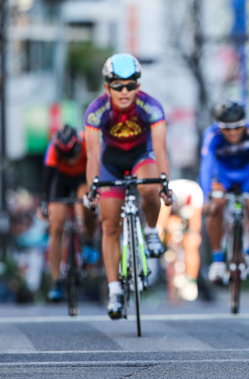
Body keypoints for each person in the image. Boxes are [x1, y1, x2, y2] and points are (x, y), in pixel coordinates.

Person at [84, 53, 171, 319]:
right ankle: (114, 292)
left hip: (140, 156)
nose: (124, 91)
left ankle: (152, 230)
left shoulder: (151, 107)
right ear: (107, 87)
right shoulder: (96, 110)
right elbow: (93, 155)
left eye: (131, 85)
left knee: (150, 186)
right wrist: (92, 189)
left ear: (138, 86)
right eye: (118, 86)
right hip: (110, 161)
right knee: (110, 225)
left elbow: (159, 148)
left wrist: (165, 183)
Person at [200, 100, 249, 284]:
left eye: (238, 127)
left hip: (248, 176)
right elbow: (206, 167)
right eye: (227, 129)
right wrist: (205, 196)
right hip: (223, 177)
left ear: (244, 123)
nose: (233, 133)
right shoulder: (211, 135)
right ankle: (217, 260)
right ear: (218, 127)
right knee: (215, 206)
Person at [40, 124, 97, 302]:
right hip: (61, 179)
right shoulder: (53, 149)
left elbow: (95, 168)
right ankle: (56, 280)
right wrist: (45, 203)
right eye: (66, 157)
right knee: (56, 225)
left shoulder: (87, 142)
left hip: (83, 177)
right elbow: (47, 179)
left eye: (72, 155)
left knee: (85, 201)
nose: (71, 160)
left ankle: (87, 240)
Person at [156, 179, 204, 301]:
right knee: (168, 226)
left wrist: (193, 234)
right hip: (172, 207)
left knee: (192, 240)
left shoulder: (195, 193)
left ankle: (191, 279)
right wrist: (162, 237)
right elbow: (161, 222)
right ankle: (170, 254)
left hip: (189, 207)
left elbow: (195, 223)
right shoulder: (168, 193)